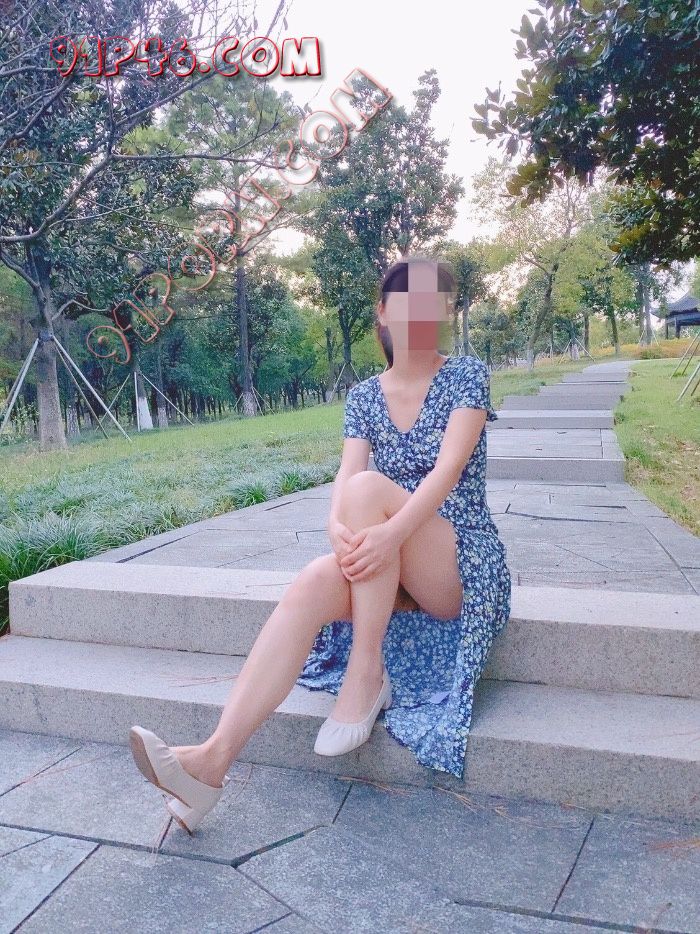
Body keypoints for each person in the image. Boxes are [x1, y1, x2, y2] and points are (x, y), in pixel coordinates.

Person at [129, 254, 512, 834]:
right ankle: (211, 761)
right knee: (313, 578)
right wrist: (337, 526)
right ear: (382, 313)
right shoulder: (364, 396)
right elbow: (346, 473)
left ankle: (366, 673)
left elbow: (448, 470)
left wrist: (387, 531)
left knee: (368, 491)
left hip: (459, 562)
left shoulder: (466, 376)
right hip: (389, 555)